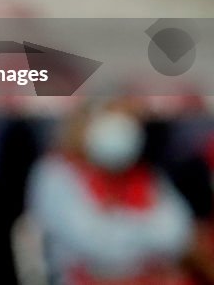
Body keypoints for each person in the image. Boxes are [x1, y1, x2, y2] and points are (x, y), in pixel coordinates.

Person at [26, 98, 214, 284]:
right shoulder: (56, 173)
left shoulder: (144, 175)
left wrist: (121, 225)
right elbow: (99, 245)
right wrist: (148, 234)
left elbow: (178, 233)